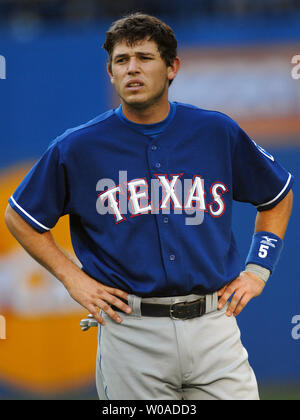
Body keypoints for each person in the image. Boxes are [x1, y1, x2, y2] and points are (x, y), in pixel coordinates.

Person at [5, 13, 293, 400]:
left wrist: (258, 270)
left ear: (172, 67)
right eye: (122, 61)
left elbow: (277, 196)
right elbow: (20, 217)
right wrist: (73, 278)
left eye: (144, 57)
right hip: (131, 331)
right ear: (110, 72)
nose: (132, 69)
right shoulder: (78, 147)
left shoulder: (214, 131)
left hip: (213, 325)